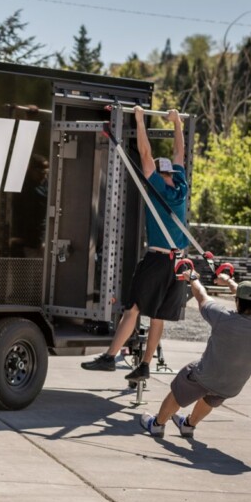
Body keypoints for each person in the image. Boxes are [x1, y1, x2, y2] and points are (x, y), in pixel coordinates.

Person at [82, 105, 188, 381]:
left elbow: (145, 153)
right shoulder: (181, 189)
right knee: (158, 316)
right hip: (180, 263)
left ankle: (109, 356)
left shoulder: (156, 188)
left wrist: (139, 119)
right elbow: (180, 152)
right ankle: (145, 365)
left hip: (157, 259)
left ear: (161, 174)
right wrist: (177, 123)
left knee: (134, 309)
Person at [139, 274, 251, 438]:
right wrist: (229, 282)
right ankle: (188, 426)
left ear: (237, 301)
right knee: (212, 397)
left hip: (206, 375)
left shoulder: (223, 318)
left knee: (181, 386)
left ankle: (157, 425)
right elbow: (250, 299)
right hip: (233, 384)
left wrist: (192, 277)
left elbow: (201, 296)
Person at [9, 153, 50, 258]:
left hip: (37, 239)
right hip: (26, 240)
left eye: (45, 174)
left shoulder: (44, 186)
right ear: (32, 171)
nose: (43, 176)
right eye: (41, 173)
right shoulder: (24, 188)